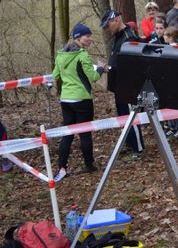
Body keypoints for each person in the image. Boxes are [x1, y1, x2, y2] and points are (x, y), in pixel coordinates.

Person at [52, 23, 106, 181]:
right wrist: (102, 68)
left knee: (67, 134)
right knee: (85, 133)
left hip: (66, 100)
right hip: (82, 99)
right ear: (77, 37)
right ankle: (89, 165)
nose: (90, 39)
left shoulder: (61, 55)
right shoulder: (83, 55)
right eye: (87, 36)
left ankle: (62, 168)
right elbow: (94, 77)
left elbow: (55, 74)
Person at [100, 10, 144, 159]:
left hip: (129, 86)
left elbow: (132, 63)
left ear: (117, 20)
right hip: (119, 86)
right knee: (123, 116)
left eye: (108, 25)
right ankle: (129, 143)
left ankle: (138, 149)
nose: (108, 29)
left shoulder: (128, 37)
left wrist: (111, 68)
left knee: (132, 117)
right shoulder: (118, 38)